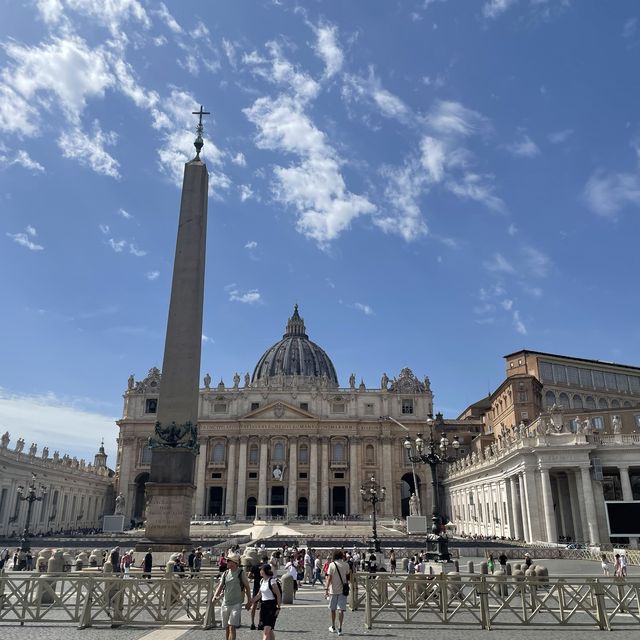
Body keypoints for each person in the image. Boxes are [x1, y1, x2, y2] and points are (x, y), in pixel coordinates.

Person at [212, 553, 251, 640]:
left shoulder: (241, 573)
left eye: (228, 561)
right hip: (225, 603)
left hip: (236, 604)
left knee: (231, 627)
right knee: (226, 628)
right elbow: (220, 586)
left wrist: (249, 601)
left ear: (234, 562)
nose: (226, 562)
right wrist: (215, 597)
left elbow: (247, 587)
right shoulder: (225, 573)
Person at [247, 563, 281, 640]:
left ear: (264, 571)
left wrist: (278, 607)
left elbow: (278, 595)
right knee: (269, 630)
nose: (259, 571)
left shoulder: (272, 581)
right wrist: (250, 603)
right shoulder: (262, 581)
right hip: (264, 606)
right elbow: (259, 595)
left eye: (261, 569)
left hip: (271, 607)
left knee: (266, 631)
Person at [325, 549, 351, 636]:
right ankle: (340, 628)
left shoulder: (332, 565)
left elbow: (329, 578)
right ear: (341, 556)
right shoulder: (346, 565)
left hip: (333, 590)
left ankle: (333, 626)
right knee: (341, 610)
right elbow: (348, 576)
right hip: (343, 590)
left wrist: (326, 589)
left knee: (333, 609)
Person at [250, 556, 269, 630]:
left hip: (256, 586)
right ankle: (260, 623)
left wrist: (255, 578)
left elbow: (249, 575)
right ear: (266, 560)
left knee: (254, 606)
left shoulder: (254, 566)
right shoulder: (266, 567)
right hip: (263, 588)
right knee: (261, 607)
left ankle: (252, 623)